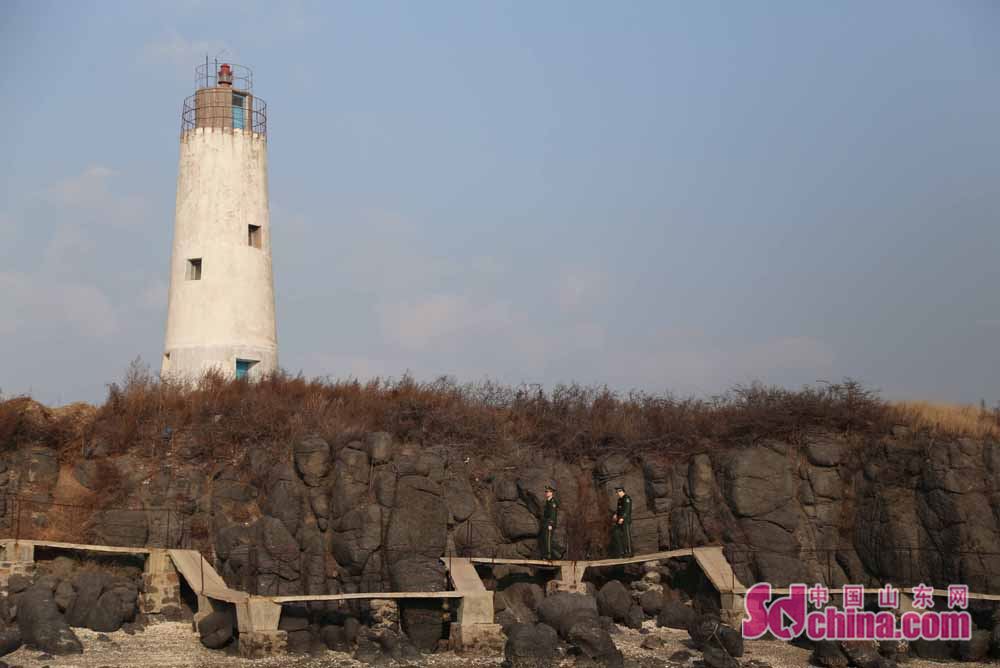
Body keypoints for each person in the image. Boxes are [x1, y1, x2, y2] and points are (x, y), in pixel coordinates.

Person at [610, 485, 633, 557]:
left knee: (626, 536)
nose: (617, 494)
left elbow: (627, 509)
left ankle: (629, 552)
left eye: (618, 492)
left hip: (625, 520)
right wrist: (616, 515)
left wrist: (622, 518)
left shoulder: (627, 498)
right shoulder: (619, 500)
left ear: (621, 491)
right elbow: (619, 509)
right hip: (619, 520)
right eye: (616, 492)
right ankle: (622, 552)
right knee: (617, 534)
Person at [539, 485, 559, 560]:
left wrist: (550, 524)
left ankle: (549, 556)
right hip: (546, 523)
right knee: (545, 539)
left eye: (548, 492)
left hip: (550, 523)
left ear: (551, 493)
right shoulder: (548, 501)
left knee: (548, 539)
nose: (546, 493)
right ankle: (545, 555)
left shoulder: (553, 502)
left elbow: (553, 514)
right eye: (546, 492)